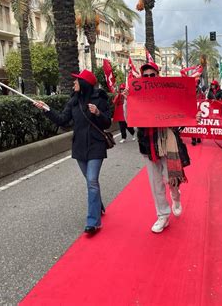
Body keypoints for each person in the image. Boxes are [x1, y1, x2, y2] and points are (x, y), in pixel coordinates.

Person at [34, 69, 111, 235]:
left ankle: (93, 222)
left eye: (76, 81)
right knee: (91, 182)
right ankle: (98, 205)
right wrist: (46, 109)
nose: (74, 83)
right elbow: (63, 120)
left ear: (84, 84)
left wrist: (98, 113)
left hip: (96, 145)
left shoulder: (100, 99)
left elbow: (107, 122)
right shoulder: (74, 101)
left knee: (92, 181)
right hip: (79, 147)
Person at [125, 62, 195, 233]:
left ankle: (175, 195)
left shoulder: (168, 92)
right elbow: (129, 120)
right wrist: (129, 100)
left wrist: (193, 115)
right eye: (146, 76)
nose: (149, 79)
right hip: (147, 144)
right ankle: (162, 215)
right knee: (156, 183)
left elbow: (182, 111)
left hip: (167, 141)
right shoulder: (137, 95)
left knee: (170, 179)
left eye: (152, 75)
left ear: (158, 75)